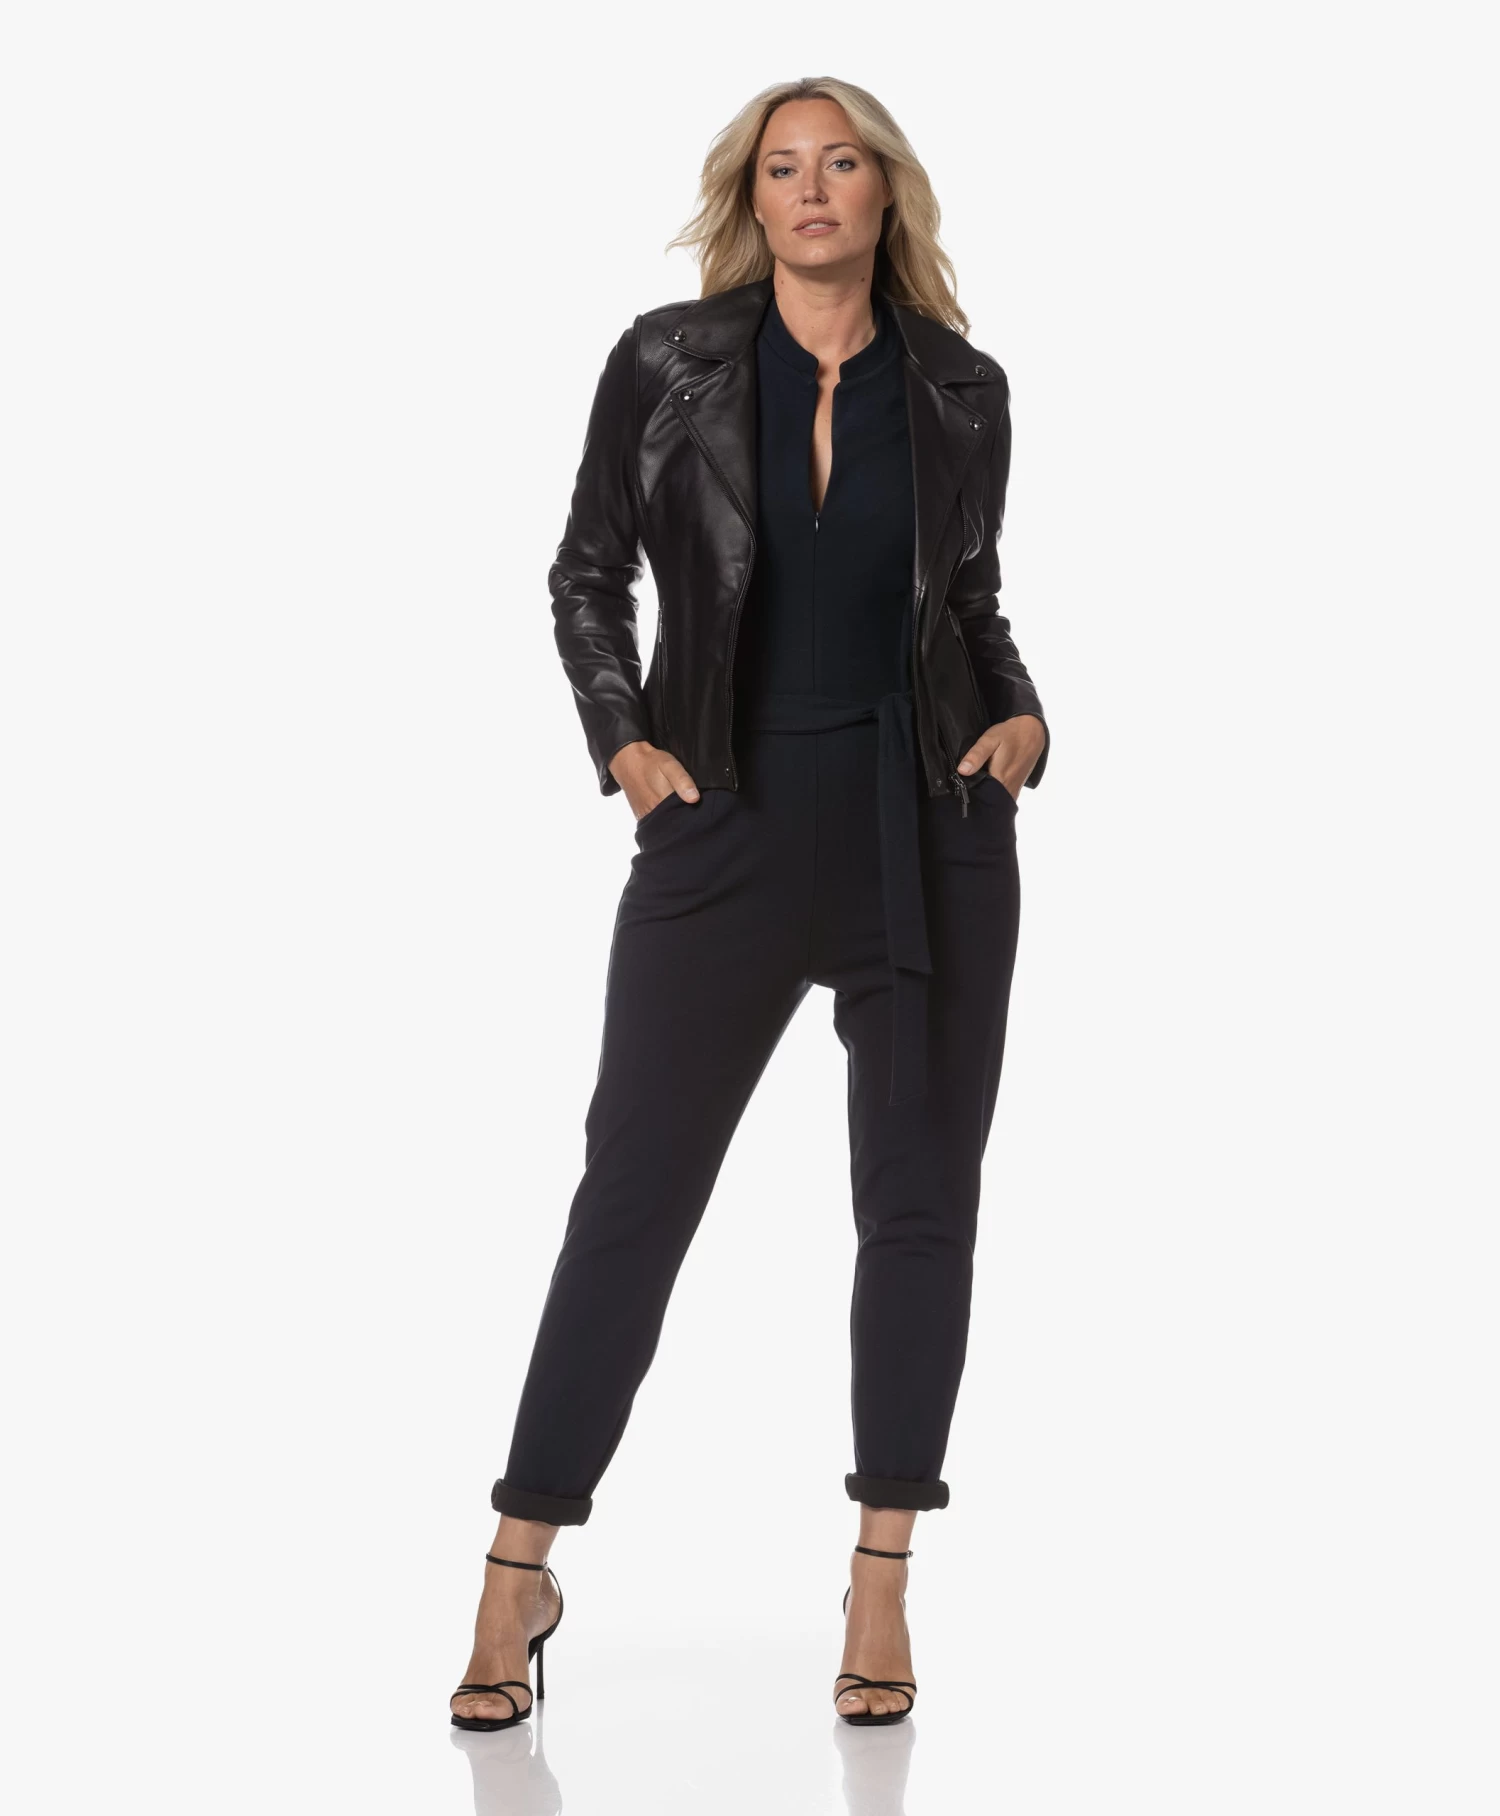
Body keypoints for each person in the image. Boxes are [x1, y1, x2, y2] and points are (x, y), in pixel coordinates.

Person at [451, 75, 1050, 1732]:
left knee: (920, 1205)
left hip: (928, 827)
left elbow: (971, 599)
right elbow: (587, 571)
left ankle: (880, 1581)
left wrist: (1020, 718)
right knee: (632, 1200)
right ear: (752, 199)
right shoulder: (669, 361)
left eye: (841, 162)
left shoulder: (963, 386)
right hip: (725, 822)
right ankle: (516, 1569)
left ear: (884, 191)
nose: (812, 189)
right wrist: (627, 746)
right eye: (783, 168)